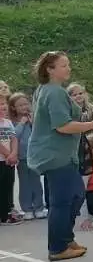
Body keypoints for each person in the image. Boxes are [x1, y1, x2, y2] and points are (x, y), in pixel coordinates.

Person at [29, 52, 93, 260]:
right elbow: (62, 126)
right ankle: (57, 247)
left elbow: (67, 118)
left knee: (74, 195)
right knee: (63, 200)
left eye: (68, 65)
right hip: (55, 155)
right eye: (63, 65)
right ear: (50, 69)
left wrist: (90, 118)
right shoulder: (53, 92)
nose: (68, 68)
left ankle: (65, 238)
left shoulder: (49, 90)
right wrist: (92, 124)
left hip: (61, 155)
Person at [9, 92, 44, 220]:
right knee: (25, 184)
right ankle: (27, 208)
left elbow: (39, 134)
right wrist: (22, 123)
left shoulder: (32, 118)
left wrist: (32, 122)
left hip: (34, 156)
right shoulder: (12, 122)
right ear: (13, 108)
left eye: (25, 104)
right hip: (22, 157)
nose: (24, 107)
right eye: (20, 105)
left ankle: (39, 207)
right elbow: (14, 136)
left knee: (36, 182)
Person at [0, 94, 18, 224]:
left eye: (3, 104)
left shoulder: (7, 122)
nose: (2, 107)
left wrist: (14, 153)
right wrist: (8, 154)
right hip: (2, 159)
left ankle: (6, 214)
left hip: (9, 160)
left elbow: (13, 138)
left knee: (8, 186)